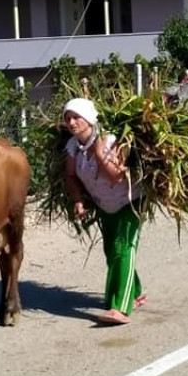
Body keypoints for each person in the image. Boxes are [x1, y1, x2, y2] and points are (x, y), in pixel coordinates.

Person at [63, 97, 145, 325]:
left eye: (76, 117)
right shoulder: (73, 146)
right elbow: (70, 175)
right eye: (68, 118)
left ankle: (121, 308)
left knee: (123, 248)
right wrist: (78, 199)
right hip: (104, 203)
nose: (71, 122)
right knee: (111, 250)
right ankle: (135, 292)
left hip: (130, 200)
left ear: (88, 117)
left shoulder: (109, 140)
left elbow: (117, 175)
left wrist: (100, 154)